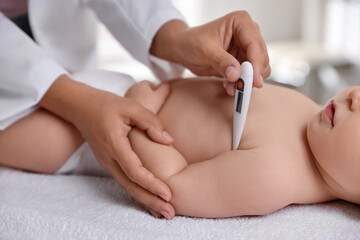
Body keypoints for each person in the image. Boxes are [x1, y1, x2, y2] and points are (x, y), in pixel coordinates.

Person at [0, 0, 271, 219]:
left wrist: (176, 38)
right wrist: (73, 97)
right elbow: (175, 186)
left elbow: (176, 184)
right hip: (113, 106)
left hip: (111, 102)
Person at [1, 72, 359, 220]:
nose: (356, 96)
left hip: (90, 142)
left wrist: (143, 113)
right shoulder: (311, 112)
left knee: (12, 127)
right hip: (120, 90)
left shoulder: (275, 175)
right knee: (21, 77)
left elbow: (172, 186)